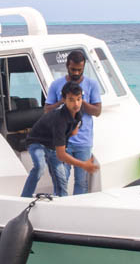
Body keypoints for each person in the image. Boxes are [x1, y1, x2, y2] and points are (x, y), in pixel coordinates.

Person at [21, 81, 99, 197]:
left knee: (62, 180)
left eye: (78, 99)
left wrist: (71, 131)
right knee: (40, 167)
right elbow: (61, 155)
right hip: (37, 142)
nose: (76, 104)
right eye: (71, 100)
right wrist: (83, 165)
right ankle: (24, 197)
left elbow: (74, 130)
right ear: (64, 99)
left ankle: (61, 203)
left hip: (52, 145)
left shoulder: (79, 111)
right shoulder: (60, 120)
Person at [44, 50, 102, 194]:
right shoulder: (56, 84)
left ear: (84, 67)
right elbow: (47, 110)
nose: (76, 73)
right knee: (61, 181)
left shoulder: (92, 84)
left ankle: (78, 211)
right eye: (73, 69)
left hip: (84, 142)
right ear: (66, 66)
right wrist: (64, 100)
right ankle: (61, 208)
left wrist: (79, 100)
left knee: (81, 182)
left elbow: (97, 111)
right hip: (63, 141)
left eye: (79, 70)